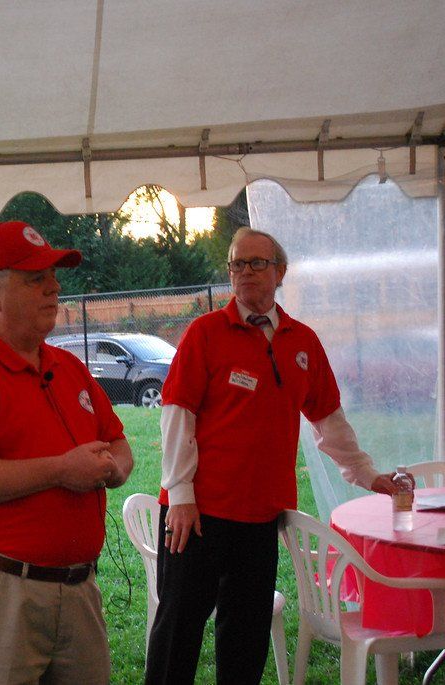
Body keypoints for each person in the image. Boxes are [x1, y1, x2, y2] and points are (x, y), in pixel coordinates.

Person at [144, 227, 398, 684]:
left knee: (245, 639)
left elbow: (328, 419)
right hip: (196, 514)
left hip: (261, 517)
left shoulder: (303, 341)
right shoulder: (205, 333)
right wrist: (180, 495)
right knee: (177, 632)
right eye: (237, 264)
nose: (245, 272)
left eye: (257, 263)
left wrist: (366, 473)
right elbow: (177, 414)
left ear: (280, 272)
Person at [0, 220, 134, 684]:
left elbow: (118, 442)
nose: (54, 288)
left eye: (53, 276)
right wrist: (61, 470)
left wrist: (113, 469)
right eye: (36, 279)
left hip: (77, 588)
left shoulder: (69, 367)